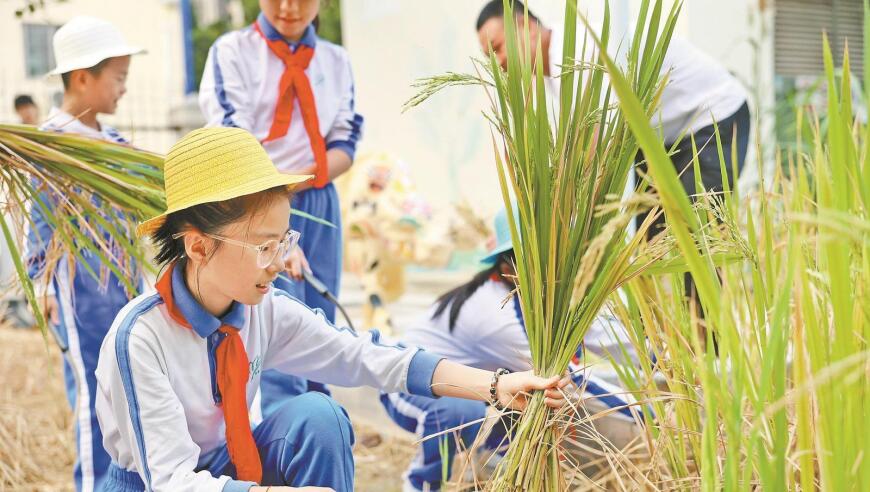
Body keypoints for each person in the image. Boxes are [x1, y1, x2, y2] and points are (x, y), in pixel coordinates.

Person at [94, 126, 570, 491]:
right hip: (158, 483)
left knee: (318, 416)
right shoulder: (140, 339)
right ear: (198, 247)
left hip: (229, 463)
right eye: (264, 247)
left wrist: (495, 385)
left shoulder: (263, 309)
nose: (281, 263)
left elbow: (365, 356)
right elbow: (173, 481)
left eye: (285, 242)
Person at [380, 209, 641, 491]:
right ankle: (420, 482)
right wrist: (645, 417)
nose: (552, 268)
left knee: (526, 398)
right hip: (408, 383)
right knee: (465, 410)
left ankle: (494, 472)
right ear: (506, 265)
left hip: (479, 388)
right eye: (536, 259)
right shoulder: (492, 312)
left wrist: (666, 361)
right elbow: (566, 377)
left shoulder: (550, 300)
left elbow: (621, 343)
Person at [199, 0, 362, 413]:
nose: (289, 8)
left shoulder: (335, 60)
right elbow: (230, 139)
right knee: (268, 316)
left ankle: (319, 420)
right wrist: (274, 218)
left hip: (318, 197)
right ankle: (277, 427)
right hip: (253, 198)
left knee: (320, 316)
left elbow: (345, 140)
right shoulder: (232, 52)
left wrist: (303, 180)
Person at [475, 0, 751, 239]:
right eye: (489, 57)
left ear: (524, 26)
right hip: (661, 136)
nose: (498, 62)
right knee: (636, 229)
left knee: (697, 229)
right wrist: (516, 231)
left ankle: (702, 301)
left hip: (714, 115)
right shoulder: (556, 78)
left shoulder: (579, 50)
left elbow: (595, 155)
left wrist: (554, 226)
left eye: (498, 47)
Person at [24, 16, 145, 492]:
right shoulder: (51, 145)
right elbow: (39, 222)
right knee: (94, 401)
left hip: (124, 287)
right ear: (81, 77)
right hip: (78, 292)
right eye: (118, 79)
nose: (123, 90)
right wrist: (41, 283)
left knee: (129, 396)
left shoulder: (115, 144)